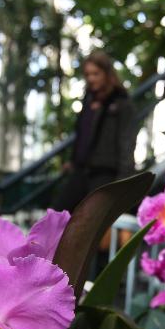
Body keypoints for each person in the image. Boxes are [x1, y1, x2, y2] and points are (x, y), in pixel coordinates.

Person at [54, 50, 137, 214]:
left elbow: (127, 143)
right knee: (57, 213)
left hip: (105, 174)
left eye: (95, 73)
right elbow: (81, 135)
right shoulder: (88, 101)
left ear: (106, 73)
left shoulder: (121, 103)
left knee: (92, 222)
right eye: (87, 74)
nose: (91, 78)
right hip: (81, 171)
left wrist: (122, 182)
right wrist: (72, 160)